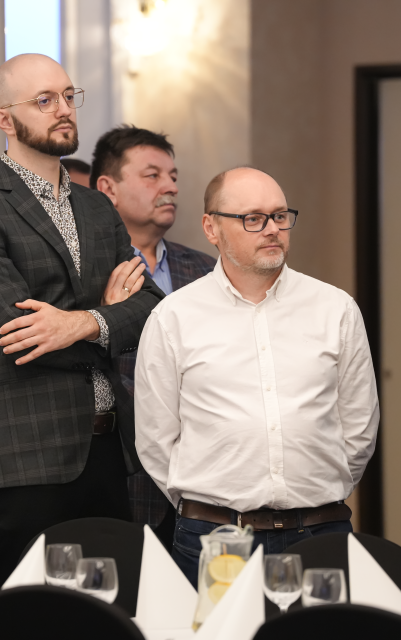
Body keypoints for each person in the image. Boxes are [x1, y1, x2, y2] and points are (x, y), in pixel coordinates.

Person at [0, 54, 164, 589]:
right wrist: (108, 316)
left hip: (108, 450)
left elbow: (152, 306)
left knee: (111, 612)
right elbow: (18, 332)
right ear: (4, 119)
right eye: (44, 100)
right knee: (27, 619)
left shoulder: (98, 208)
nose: (63, 109)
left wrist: (81, 322)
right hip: (24, 455)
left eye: (68, 95)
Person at [134, 166, 379, 587]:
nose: (272, 229)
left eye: (280, 216)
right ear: (211, 228)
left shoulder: (335, 309)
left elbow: (359, 428)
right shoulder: (173, 316)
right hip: (214, 538)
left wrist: (311, 492)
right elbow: (156, 439)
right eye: (253, 218)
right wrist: (211, 504)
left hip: (321, 532)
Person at [92, 125, 216, 548]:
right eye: (153, 176)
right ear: (108, 189)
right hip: (121, 474)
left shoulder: (205, 270)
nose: (170, 187)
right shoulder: (90, 272)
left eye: (173, 177)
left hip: (204, 480)